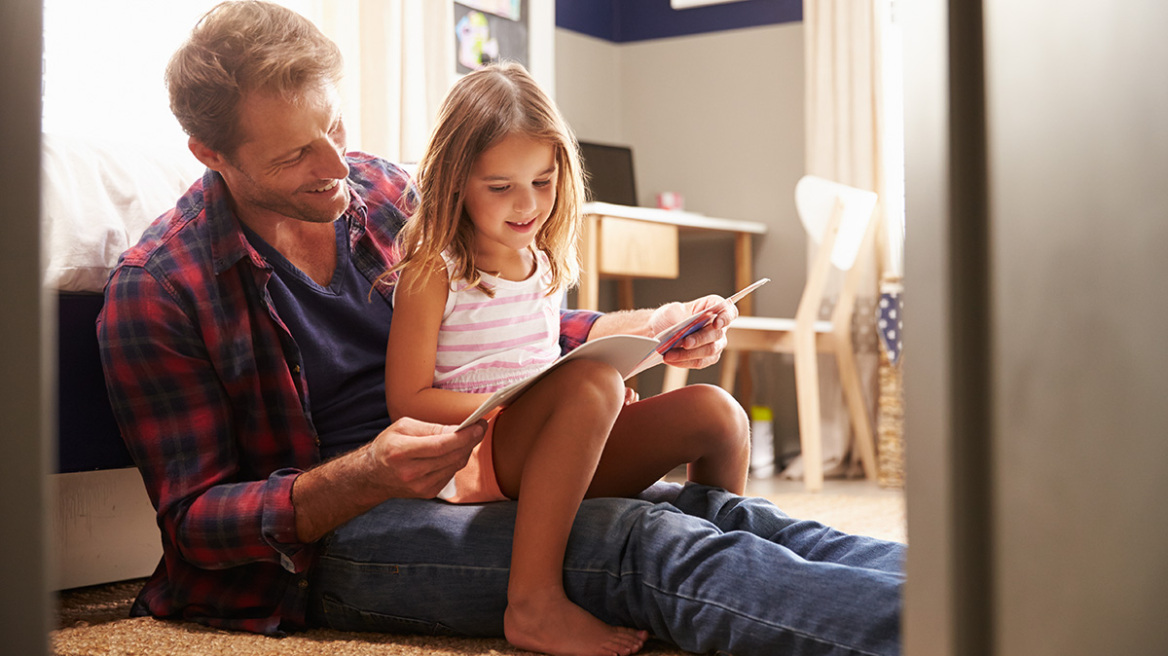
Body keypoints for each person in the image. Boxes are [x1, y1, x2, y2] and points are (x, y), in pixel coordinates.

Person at [97, 2, 906, 655]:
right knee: (641, 539)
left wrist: (649, 328)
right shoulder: (160, 291)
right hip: (339, 536)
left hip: (490, 449)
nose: (337, 166)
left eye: (335, 129)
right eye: (294, 157)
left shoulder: (382, 193)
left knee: (726, 515)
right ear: (211, 154)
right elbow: (194, 526)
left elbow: (509, 330)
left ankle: (987, 588)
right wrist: (365, 474)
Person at [384, 62, 749, 656]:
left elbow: (543, 357)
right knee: (589, 385)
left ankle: (718, 569)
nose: (527, 205)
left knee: (718, 414)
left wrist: (600, 390)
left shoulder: (546, 265)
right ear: (455, 182)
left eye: (545, 181)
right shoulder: (434, 272)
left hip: (550, 445)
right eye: (501, 187)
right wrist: (550, 401)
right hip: (479, 455)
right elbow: (407, 401)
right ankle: (532, 604)